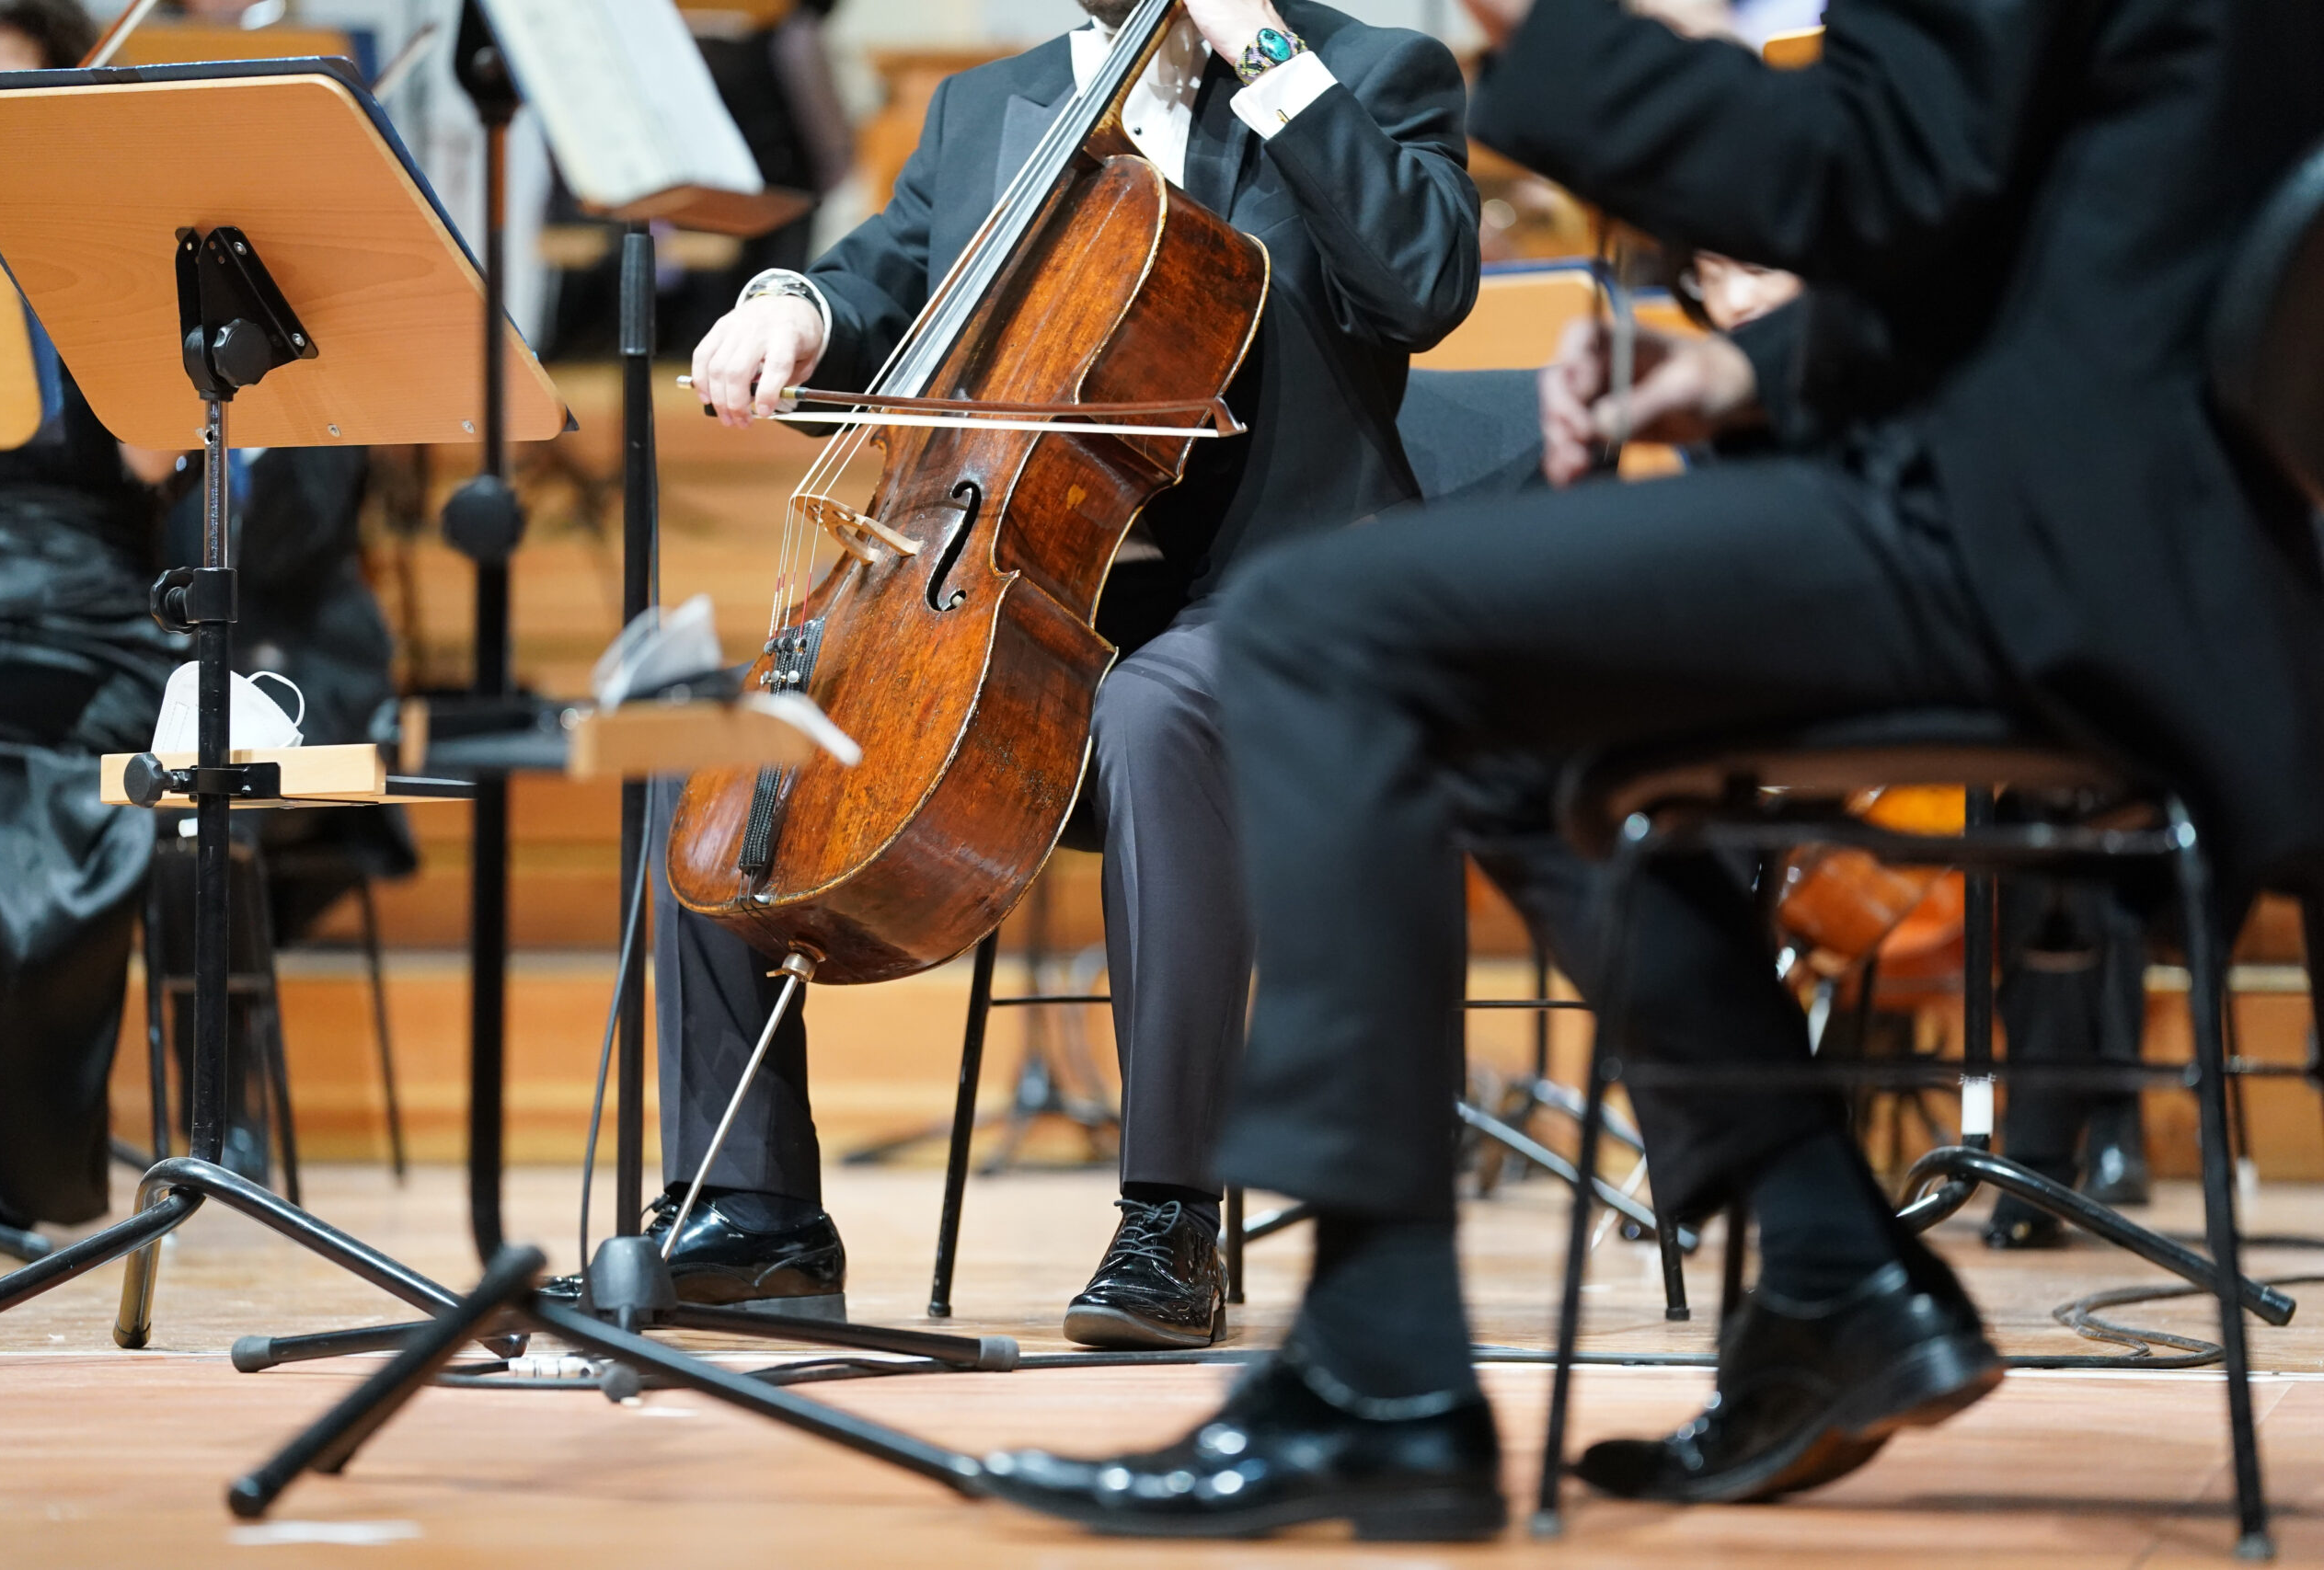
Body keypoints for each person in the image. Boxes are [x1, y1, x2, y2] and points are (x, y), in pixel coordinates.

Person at [981, 0, 2324, 1537]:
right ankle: (1830, 1270)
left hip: (2043, 543)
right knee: (1501, 697)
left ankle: (1376, 1373)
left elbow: (1859, 171)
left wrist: (1540, 30)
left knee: (1319, 620)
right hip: (2105, 517)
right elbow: (2044, 230)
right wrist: (1750, 381)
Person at [644, 0, 1478, 1344]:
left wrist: (1261, 46)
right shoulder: (992, 106)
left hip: (1273, 611)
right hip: (1009, 601)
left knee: (1157, 710)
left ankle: (1169, 1221)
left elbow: (1423, 285)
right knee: (711, 743)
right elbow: (882, 277)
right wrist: (791, 310)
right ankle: (754, 1221)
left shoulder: (1372, 72)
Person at [0, 0, 181, 1240]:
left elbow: (156, 461)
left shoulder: (109, 240)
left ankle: (11, 1156)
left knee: (1, 761)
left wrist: (88, 264)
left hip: (86, 611)